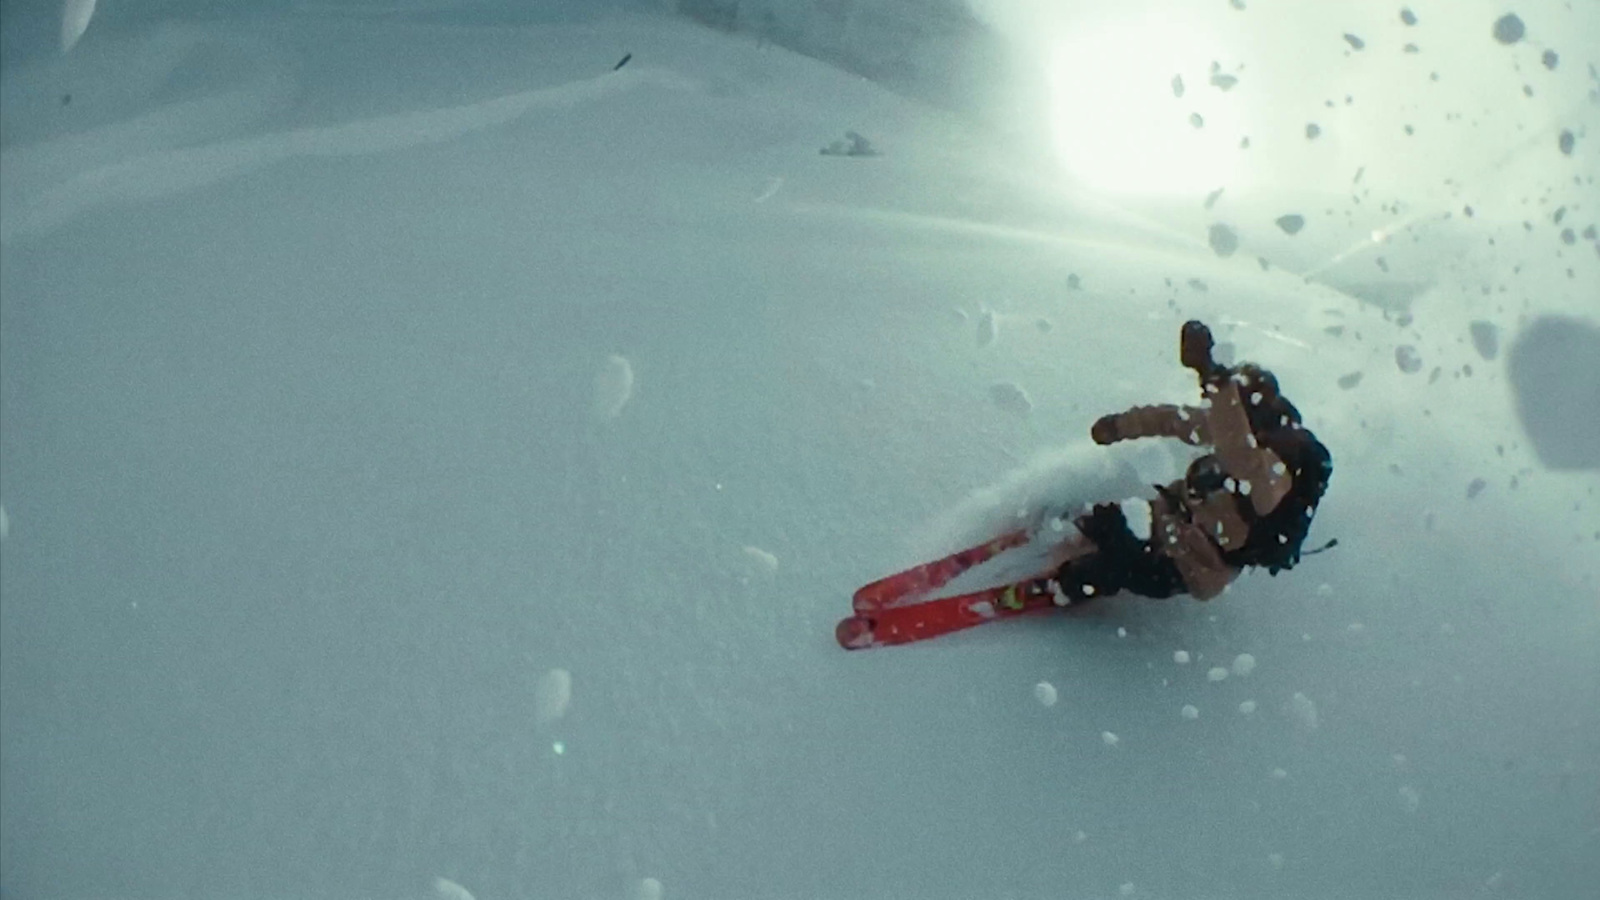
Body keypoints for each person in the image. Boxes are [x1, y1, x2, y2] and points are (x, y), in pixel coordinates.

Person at [1052, 320, 1333, 602]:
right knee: (1103, 523)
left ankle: (1060, 588)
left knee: (1108, 569)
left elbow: (1240, 458)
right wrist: (1120, 426)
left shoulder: (1273, 473)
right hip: (1165, 518)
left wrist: (1212, 374)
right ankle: (1065, 534)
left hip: (1192, 566)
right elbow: (1174, 421)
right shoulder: (1236, 430)